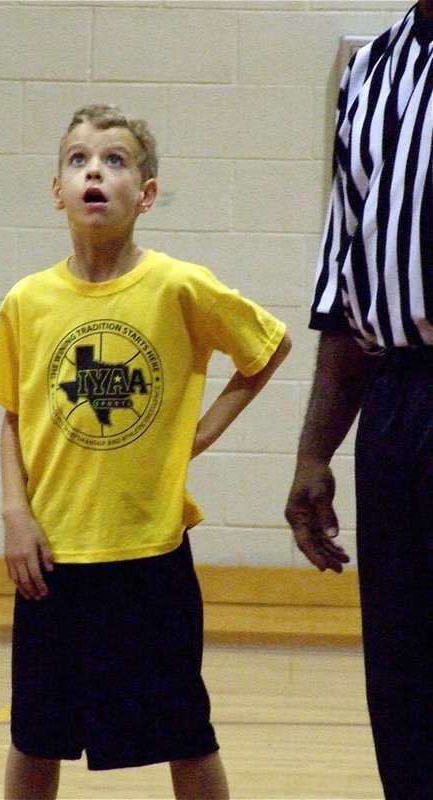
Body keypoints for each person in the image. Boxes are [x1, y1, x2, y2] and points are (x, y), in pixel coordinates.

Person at [0, 104, 291, 800]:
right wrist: (14, 512)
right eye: (79, 159)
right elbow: (11, 415)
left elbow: (266, 349)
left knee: (185, 730)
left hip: (149, 555)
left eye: (115, 160)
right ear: (57, 189)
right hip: (52, 559)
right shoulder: (26, 302)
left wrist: (200, 433)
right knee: (35, 735)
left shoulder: (177, 286)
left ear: (144, 193)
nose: (95, 170)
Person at [285, 3, 432, 798]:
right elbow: (344, 277)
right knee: (403, 676)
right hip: (398, 399)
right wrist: (314, 450)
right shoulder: (373, 68)